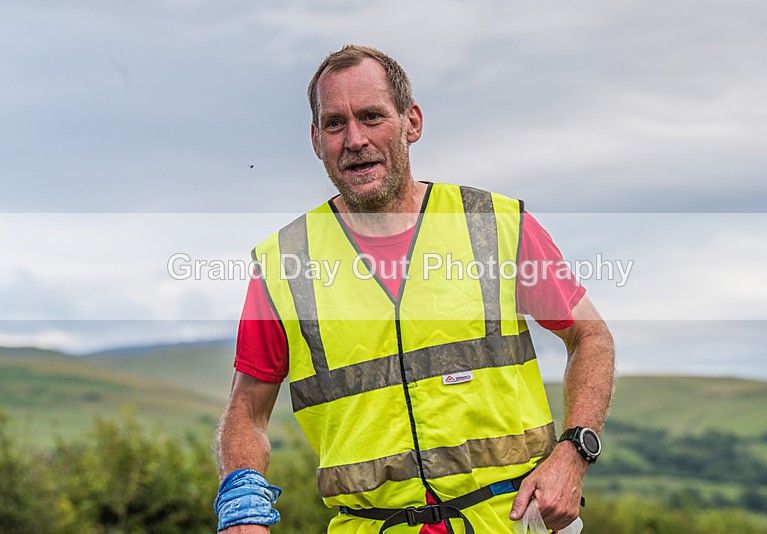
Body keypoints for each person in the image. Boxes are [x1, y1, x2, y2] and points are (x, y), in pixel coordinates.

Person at [215, 45, 615, 534]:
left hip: (513, 521)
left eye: (371, 116)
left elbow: (590, 336)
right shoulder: (284, 262)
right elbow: (246, 409)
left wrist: (574, 452)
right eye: (335, 124)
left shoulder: (494, 225)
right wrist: (242, 508)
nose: (355, 139)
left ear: (412, 122)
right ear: (316, 140)